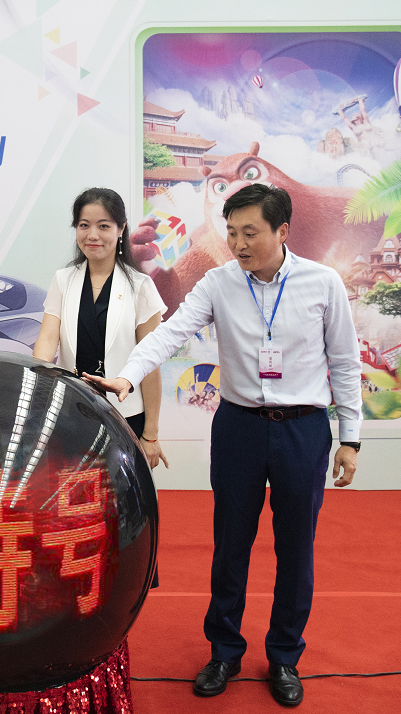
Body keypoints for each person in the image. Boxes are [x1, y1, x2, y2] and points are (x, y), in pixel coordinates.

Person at [84, 184, 361, 707]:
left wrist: (351, 437)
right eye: (231, 232)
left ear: (282, 231)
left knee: (296, 548)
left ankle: (284, 656)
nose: (237, 244)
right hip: (238, 428)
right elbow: (169, 334)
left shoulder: (323, 283)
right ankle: (224, 651)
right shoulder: (218, 282)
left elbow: (345, 362)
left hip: (303, 428)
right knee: (231, 543)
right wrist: (127, 376)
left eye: (250, 232)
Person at [32, 187, 169, 469]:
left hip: (125, 415)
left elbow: (150, 364)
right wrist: (38, 385)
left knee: (121, 491)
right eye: (84, 225)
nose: (92, 235)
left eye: (103, 226)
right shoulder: (63, 280)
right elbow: (46, 341)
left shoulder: (140, 286)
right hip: (70, 412)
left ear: (121, 229)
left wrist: (151, 435)